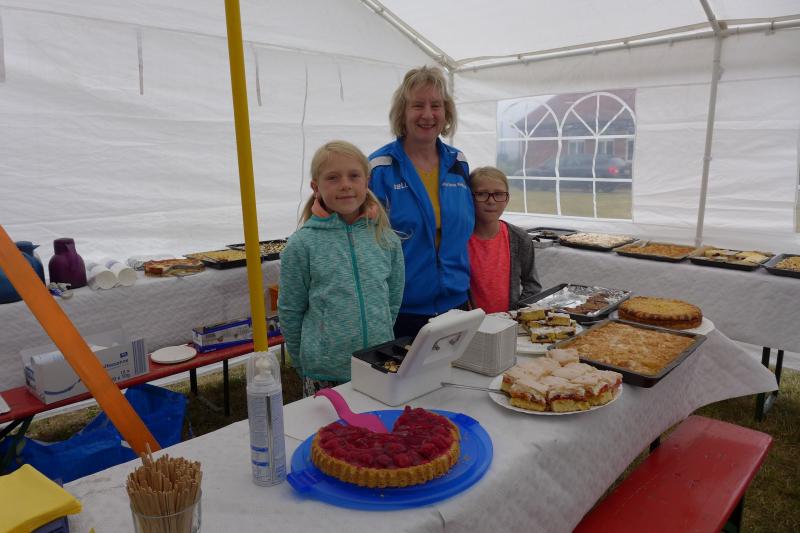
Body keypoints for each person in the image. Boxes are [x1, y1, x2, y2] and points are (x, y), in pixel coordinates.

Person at [278, 141, 404, 397]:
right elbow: (290, 310)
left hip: (377, 363)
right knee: (328, 424)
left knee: (375, 421)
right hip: (325, 373)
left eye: (354, 176)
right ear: (316, 187)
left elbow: (392, 299)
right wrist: (304, 362)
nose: (345, 184)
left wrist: (379, 336)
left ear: (366, 182)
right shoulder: (302, 244)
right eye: (333, 178)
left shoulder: (385, 238)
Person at [369, 66, 473, 339]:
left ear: (446, 112)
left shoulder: (458, 163)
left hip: (456, 304)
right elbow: (366, 244)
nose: (428, 115)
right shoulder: (380, 168)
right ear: (402, 112)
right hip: (401, 311)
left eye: (436, 105)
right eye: (418, 105)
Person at [468, 166, 541, 313]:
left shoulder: (520, 239)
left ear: (507, 198)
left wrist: (516, 314)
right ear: (469, 197)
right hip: (468, 323)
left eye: (498, 194)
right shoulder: (458, 239)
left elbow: (532, 286)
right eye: (482, 194)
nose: (491, 201)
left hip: (508, 322)